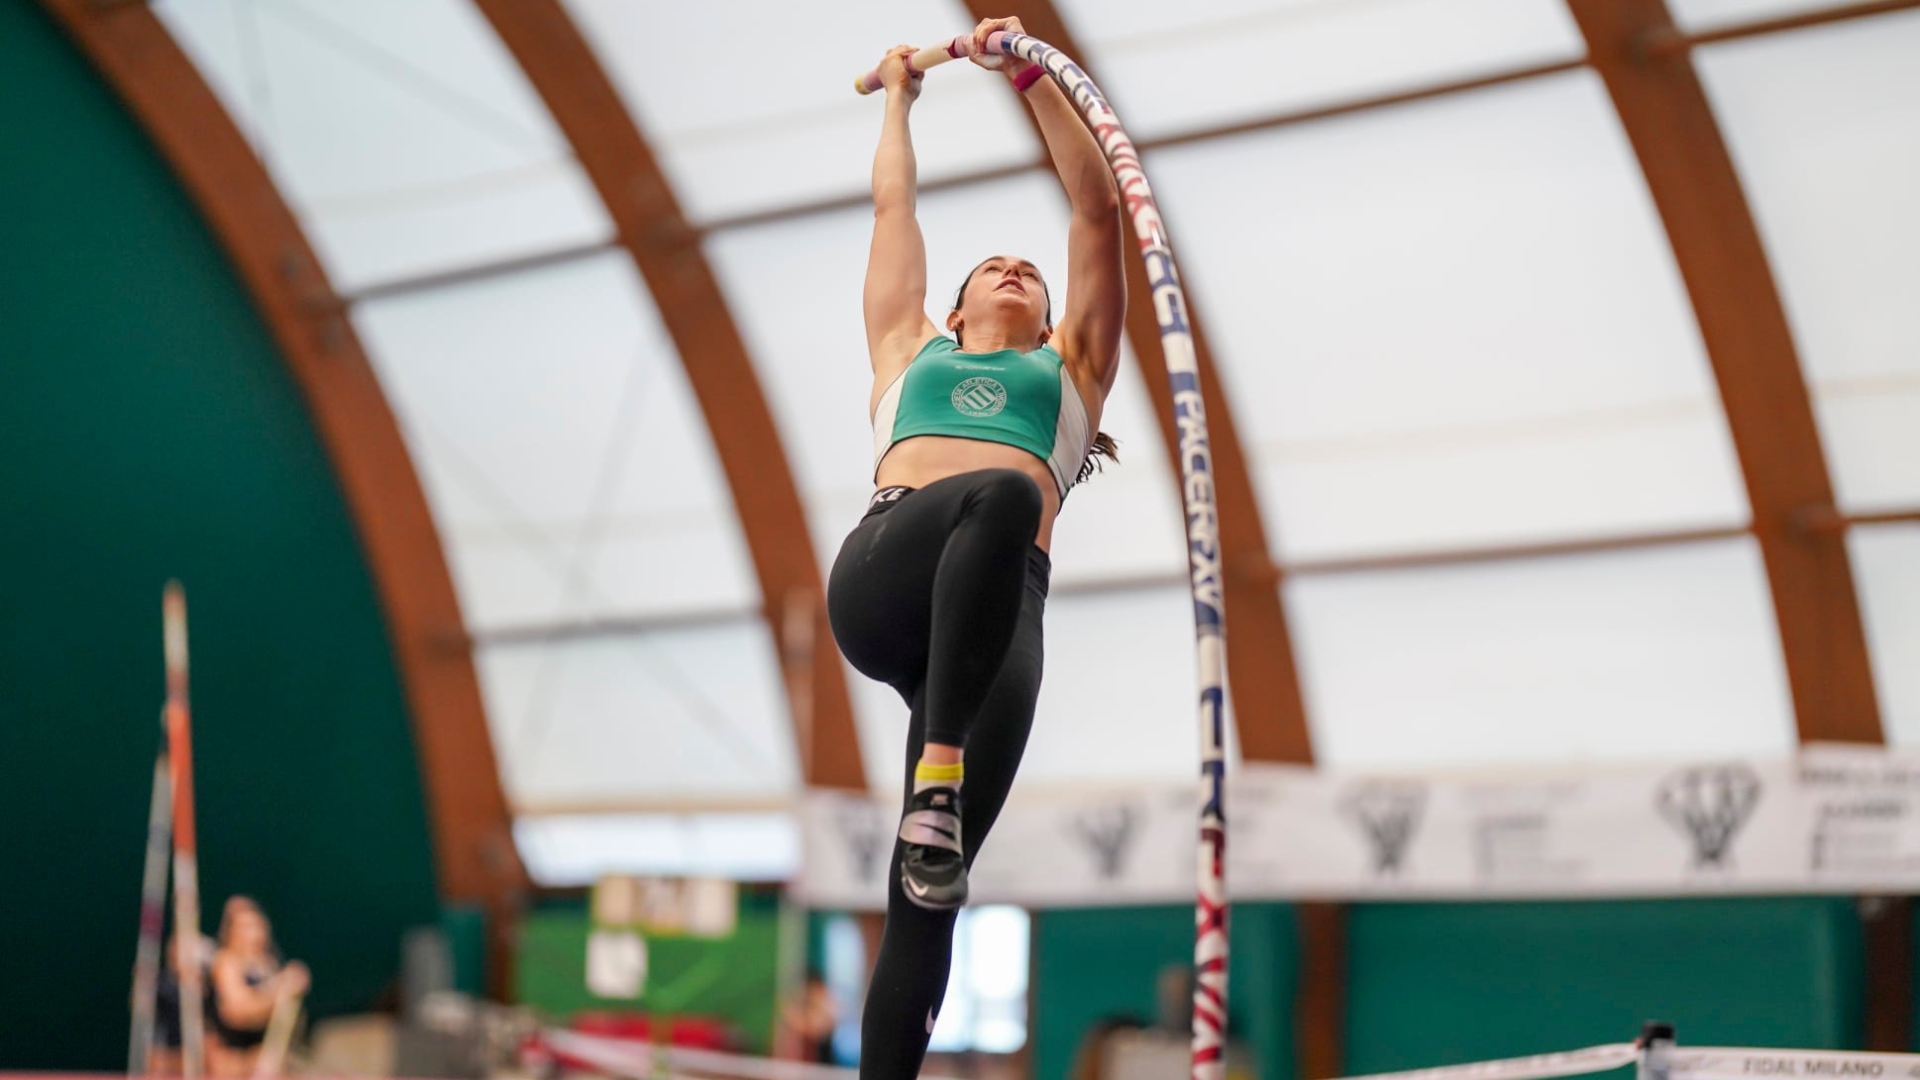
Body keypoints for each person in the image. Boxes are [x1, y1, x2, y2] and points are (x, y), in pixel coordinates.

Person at [827, 16, 1126, 1079]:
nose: (1013, 268)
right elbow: (893, 206)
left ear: (1051, 319)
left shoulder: (1076, 372)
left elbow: (1098, 208)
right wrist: (905, 96)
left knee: (928, 908)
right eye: (991, 265)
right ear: (950, 312)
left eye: (1029, 271)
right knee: (993, 491)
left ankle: (932, 811)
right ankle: (937, 774)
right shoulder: (907, 351)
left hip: (1003, 616)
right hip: (887, 577)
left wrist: (1030, 76)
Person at [208, 896, 308, 1077]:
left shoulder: (268, 963)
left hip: (268, 1058)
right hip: (234, 1060)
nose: (252, 933)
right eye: (244, 927)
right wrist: (278, 990)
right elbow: (237, 1012)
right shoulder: (226, 962)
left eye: (255, 925)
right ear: (231, 931)